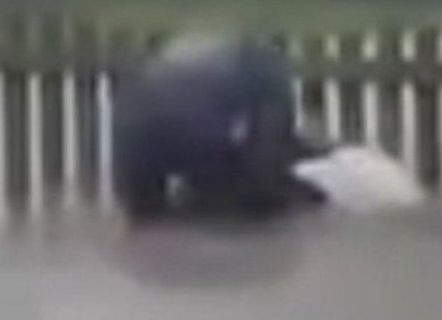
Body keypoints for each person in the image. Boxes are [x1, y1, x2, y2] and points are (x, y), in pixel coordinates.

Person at [112, 32, 322, 223]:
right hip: (197, 127)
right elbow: (266, 156)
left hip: (137, 132)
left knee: (150, 222)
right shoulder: (268, 69)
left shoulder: (165, 60)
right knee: (266, 210)